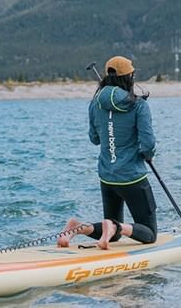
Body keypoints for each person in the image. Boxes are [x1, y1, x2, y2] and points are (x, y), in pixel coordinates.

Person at [58, 56, 158, 249]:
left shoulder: (95, 103)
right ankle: (116, 226)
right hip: (132, 178)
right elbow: (148, 144)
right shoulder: (138, 105)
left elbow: (94, 139)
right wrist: (148, 154)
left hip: (107, 177)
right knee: (150, 233)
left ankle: (78, 228)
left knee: (111, 235)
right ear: (129, 77)